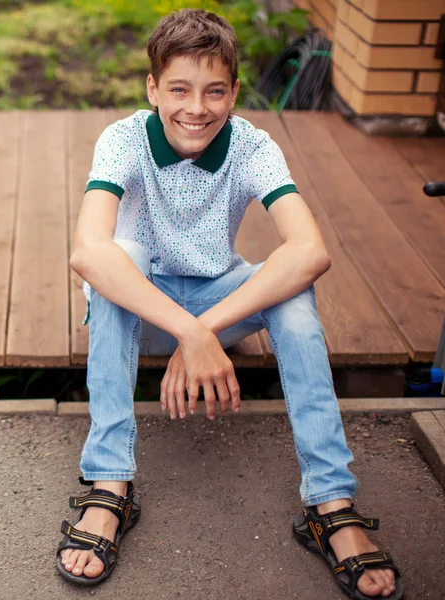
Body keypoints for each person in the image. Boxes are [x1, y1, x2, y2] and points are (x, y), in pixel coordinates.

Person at [57, 8, 403, 599]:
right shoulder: (123, 140)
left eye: (215, 91)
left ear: (235, 92)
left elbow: (310, 250)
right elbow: (88, 252)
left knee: (292, 289)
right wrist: (185, 331)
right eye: (180, 90)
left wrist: (205, 328)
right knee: (121, 259)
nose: (198, 107)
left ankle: (330, 501)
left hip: (215, 302)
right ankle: (110, 483)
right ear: (152, 88)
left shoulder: (251, 145)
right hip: (147, 312)